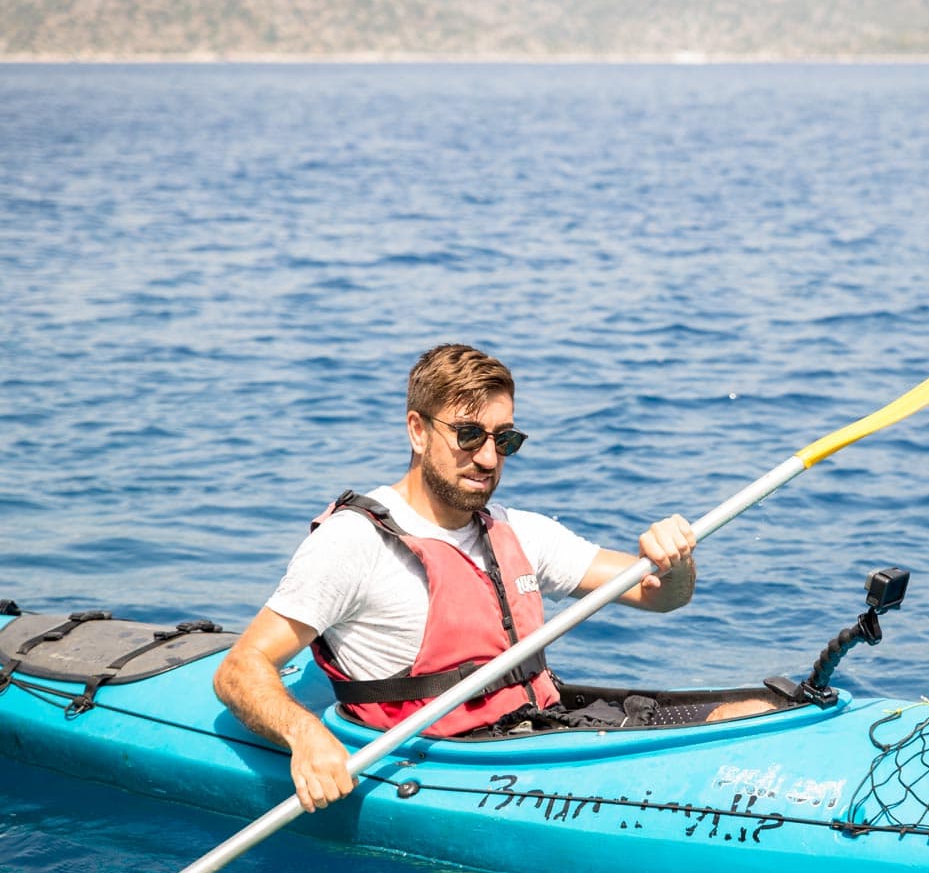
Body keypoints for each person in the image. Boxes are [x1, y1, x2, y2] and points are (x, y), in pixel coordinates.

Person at [214, 344, 698, 813]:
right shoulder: (354, 544)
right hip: (444, 765)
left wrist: (674, 561)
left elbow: (660, 598)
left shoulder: (519, 531)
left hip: (539, 734)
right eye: (469, 435)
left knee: (728, 714)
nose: (489, 458)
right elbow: (240, 668)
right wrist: (306, 736)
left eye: (504, 439)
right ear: (418, 432)